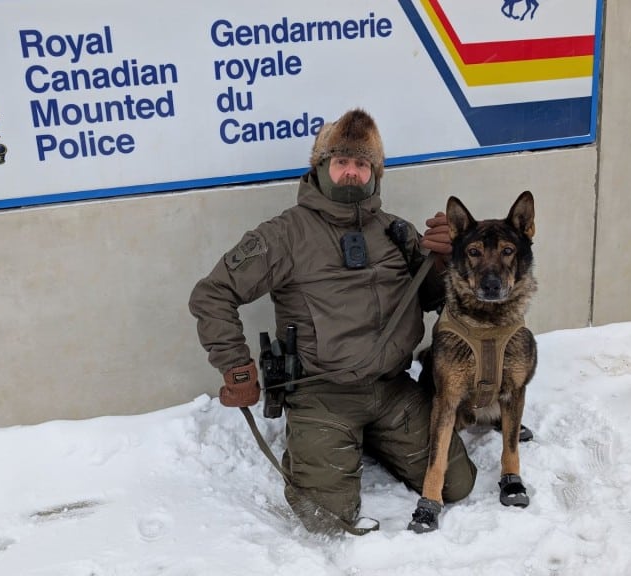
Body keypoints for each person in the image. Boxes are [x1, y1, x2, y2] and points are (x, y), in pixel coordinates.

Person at [188, 109, 476, 534]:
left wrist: (446, 262)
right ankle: (320, 440)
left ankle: (370, 437)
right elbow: (212, 293)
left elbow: (437, 300)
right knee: (327, 518)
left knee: (457, 484)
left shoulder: (397, 231)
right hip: (322, 394)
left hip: (392, 389)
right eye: (341, 162)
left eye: (362, 164)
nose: (351, 173)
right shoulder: (284, 235)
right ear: (320, 167)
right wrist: (236, 365)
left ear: (376, 174)